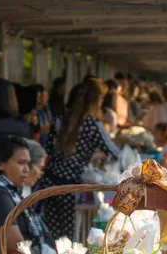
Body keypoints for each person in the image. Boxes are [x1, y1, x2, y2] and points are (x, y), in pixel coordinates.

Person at [38, 78, 120, 240]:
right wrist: (94, 157)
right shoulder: (93, 125)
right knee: (69, 236)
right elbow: (114, 152)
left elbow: (48, 149)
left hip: (49, 182)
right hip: (71, 187)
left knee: (53, 234)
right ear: (96, 101)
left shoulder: (59, 120)